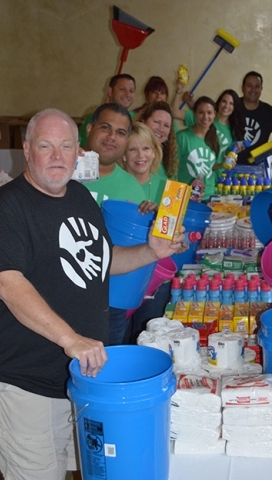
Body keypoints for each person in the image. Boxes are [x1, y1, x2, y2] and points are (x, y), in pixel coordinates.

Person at [0, 108, 185, 480]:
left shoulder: (79, 197)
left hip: (82, 381)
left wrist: (151, 251)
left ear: (78, 152)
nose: (57, 156)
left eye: (66, 146)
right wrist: (69, 339)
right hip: (26, 386)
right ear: (27, 150)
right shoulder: (5, 207)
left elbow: (102, 260)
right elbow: (7, 284)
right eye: (46, 146)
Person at [84, 103, 159, 345]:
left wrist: (151, 219)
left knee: (107, 361)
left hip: (110, 300)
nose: (111, 137)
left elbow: (137, 244)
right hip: (61, 293)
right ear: (89, 129)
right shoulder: (65, 173)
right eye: (105, 127)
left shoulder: (130, 187)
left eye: (120, 132)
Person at [120, 122, 170, 342]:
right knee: (120, 339)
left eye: (146, 148)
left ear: (155, 151)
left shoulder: (168, 188)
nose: (140, 155)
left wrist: (162, 218)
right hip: (121, 276)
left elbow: (178, 240)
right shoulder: (116, 186)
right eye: (132, 149)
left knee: (149, 338)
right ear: (123, 155)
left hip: (156, 279)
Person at [172, 86, 245, 163]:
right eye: (224, 101)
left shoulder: (233, 129)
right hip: (197, 168)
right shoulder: (204, 119)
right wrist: (179, 90)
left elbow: (226, 155)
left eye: (231, 103)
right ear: (219, 102)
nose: (226, 106)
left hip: (219, 170)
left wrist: (235, 151)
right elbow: (174, 113)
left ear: (234, 107)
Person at [176, 96, 223, 201]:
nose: (205, 116)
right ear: (194, 114)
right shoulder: (182, 137)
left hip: (209, 196)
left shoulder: (216, 138)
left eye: (209, 113)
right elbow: (172, 169)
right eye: (201, 112)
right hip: (186, 197)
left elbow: (211, 166)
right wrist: (181, 193)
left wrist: (222, 164)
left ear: (214, 114)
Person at [79, 73, 136, 148]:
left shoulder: (138, 118)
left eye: (131, 91)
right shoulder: (92, 118)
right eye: (122, 89)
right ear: (110, 91)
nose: (127, 94)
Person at [134, 101, 179, 180]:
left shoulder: (169, 160)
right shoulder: (131, 152)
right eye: (157, 122)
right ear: (143, 122)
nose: (161, 129)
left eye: (166, 125)